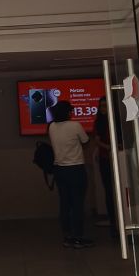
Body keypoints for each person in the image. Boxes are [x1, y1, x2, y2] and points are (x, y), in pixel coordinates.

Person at [48, 100, 92, 248]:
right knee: (77, 203)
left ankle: (67, 236)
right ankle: (78, 236)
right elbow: (85, 141)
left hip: (59, 170)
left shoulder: (51, 127)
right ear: (67, 112)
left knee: (65, 203)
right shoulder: (75, 126)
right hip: (75, 169)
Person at [93, 97, 118, 240]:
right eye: (101, 106)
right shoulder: (99, 122)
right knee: (108, 190)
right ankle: (112, 220)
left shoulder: (116, 121)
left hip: (117, 157)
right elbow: (97, 140)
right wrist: (109, 148)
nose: (103, 108)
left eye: (105, 106)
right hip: (105, 158)